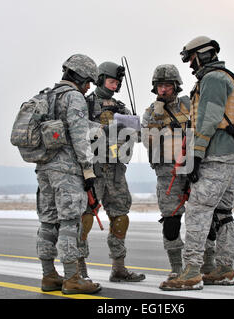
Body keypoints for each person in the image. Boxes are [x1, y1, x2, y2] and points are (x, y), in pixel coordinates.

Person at [160, 36, 234, 291]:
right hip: (228, 155)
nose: (189, 65)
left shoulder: (213, 79)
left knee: (197, 209)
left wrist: (195, 155)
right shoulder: (222, 77)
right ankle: (224, 269)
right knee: (223, 214)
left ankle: (192, 272)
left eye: (190, 58)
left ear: (202, 55)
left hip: (216, 155)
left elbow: (208, 119)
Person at [35, 54, 103, 295]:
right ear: (80, 76)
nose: (88, 88)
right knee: (69, 222)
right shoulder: (74, 98)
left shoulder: (46, 96)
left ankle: (49, 276)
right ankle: (73, 278)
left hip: (44, 169)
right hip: (67, 171)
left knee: (47, 221)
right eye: (88, 82)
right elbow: (79, 136)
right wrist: (88, 169)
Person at [79, 61, 145, 283]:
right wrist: (102, 130)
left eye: (117, 83)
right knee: (86, 217)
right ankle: (79, 269)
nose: (115, 86)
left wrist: (135, 127)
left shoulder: (120, 107)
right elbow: (77, 128)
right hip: (92, 169)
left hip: (116, 169)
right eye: (111, 81)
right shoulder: (85, 105)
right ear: (99, 79)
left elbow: (138, 135)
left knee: (120, 217)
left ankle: (119, 268)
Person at [141, 64, 191, 284]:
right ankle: (176, 268)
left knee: (205, 220)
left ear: (176, 86)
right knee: (171, 223)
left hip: (191, 169)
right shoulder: (151, 112)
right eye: (160, 86)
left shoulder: (189, 105)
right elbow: (146, 141)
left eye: (167, 85)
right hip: (166, 173)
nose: (163, 90)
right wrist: (158, 116)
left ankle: (206, 265)